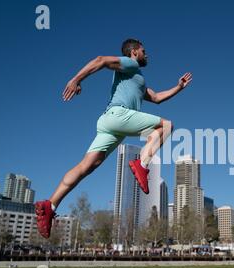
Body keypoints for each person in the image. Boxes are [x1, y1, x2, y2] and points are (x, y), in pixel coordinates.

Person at [34, 38, 192, 238]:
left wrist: (179, 87)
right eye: (144, 50)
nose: (147, 54)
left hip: (111, 125)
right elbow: (101, 60)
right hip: (119, 115)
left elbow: (157, 98)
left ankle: (51, 204)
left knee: (86, 166)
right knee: (167, 125)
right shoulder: (130, 63)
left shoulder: (137, 77)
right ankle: (142, 164)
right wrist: (76, 80)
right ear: (134, 52)